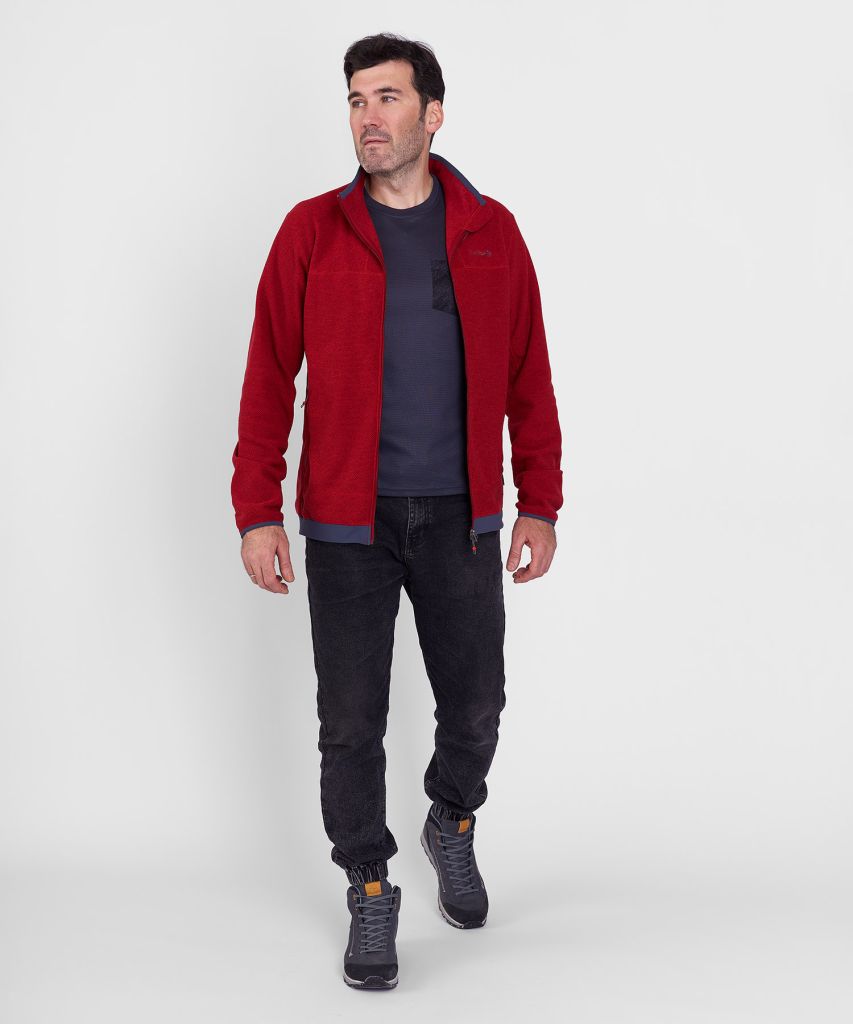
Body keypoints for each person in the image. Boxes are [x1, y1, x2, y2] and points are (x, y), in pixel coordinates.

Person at [230, 32, 563, 990]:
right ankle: (369, 884)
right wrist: (257, 509)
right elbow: (267, 374)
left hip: (462, 517)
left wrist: (538, 498)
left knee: (476, 703)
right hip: (347, 524)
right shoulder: (311, 231)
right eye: (354, 100)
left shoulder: (491, 232)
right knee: (350, 722)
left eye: (387, 97)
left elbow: (528, 375)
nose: (367, 118)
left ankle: (450, 817)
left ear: (432, 113)